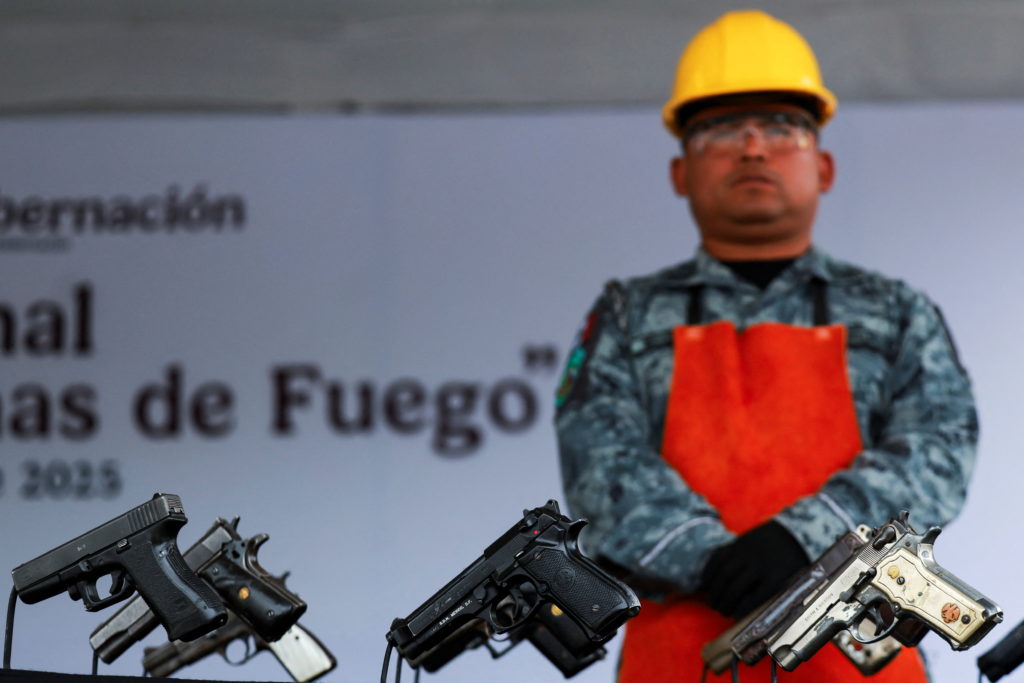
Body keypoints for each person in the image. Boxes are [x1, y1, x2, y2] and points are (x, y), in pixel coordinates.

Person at [554, 10, 977, 683]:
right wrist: (710, 558)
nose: (753, 147)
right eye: (721, 129)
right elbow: (598, 466)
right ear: (679, 172)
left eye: (782, 127)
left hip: (855, 654)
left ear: (825, 164)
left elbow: (937, 450)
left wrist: (802, 540)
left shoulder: (897, 312)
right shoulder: (626, 315)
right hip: (683, 655)